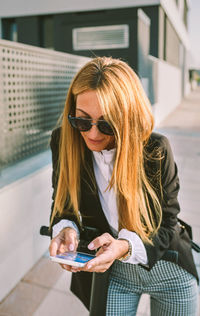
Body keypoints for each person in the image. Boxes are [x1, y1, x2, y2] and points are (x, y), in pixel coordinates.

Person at [49, 56, 199, 315]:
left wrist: (126, 246)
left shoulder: (155, 150)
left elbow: (167, 223)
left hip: (168, 267)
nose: (93, 134)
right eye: (82, 121)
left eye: (107, 124)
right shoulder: (64, 141)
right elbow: (63, 203)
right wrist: (66, 229)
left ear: (128, 117)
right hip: (113, 273)